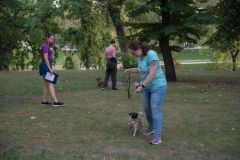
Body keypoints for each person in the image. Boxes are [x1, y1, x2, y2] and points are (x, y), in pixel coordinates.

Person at [124, 40, 167, 145]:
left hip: (158, 85)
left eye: (133, 53)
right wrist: (130, 70)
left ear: (139, 49)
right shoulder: (141, 57)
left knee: (155, 109)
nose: (133, 55)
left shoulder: (151, 55)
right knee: (147, 109)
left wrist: (142, 86)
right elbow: (141, 70)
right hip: (146, 86)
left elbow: (152, 73)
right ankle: (152, 127)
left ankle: (157, 136)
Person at [39, 33, 64, 107]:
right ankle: (56, 102)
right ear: (47, 38)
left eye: (53, 39)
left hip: (46, 66)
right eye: (51, 38)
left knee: (47, 85)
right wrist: (50, 69)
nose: (52, 40)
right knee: (50, 84)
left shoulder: (46, 45)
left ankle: (44, 102)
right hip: (45, 67)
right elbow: (46, 58)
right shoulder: (46, 46)